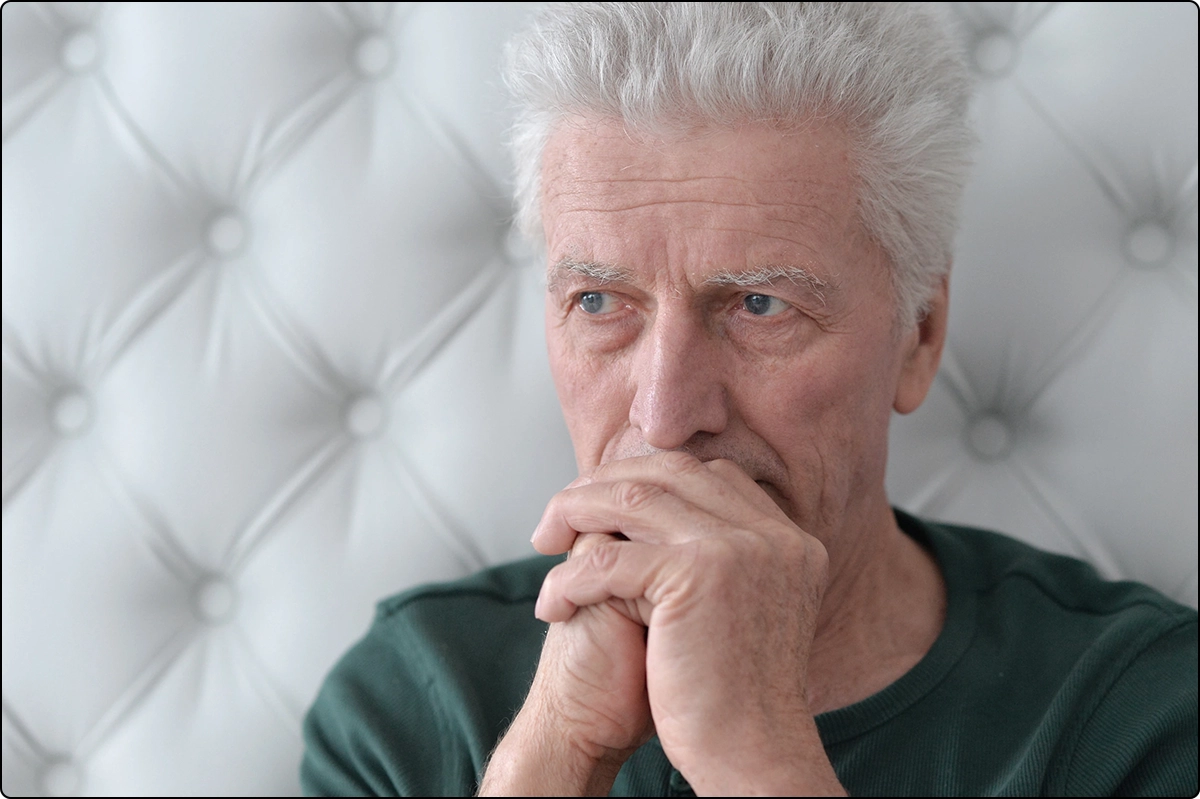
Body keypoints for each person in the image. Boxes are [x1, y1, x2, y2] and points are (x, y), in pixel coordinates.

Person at [300, 3, 1198, 796]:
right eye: (602, 303)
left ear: (918, 335)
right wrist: (561, 748)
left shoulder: (1140, 711)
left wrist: (757, 757)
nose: (664, 415)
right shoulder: (409, 699)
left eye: (759, 305)